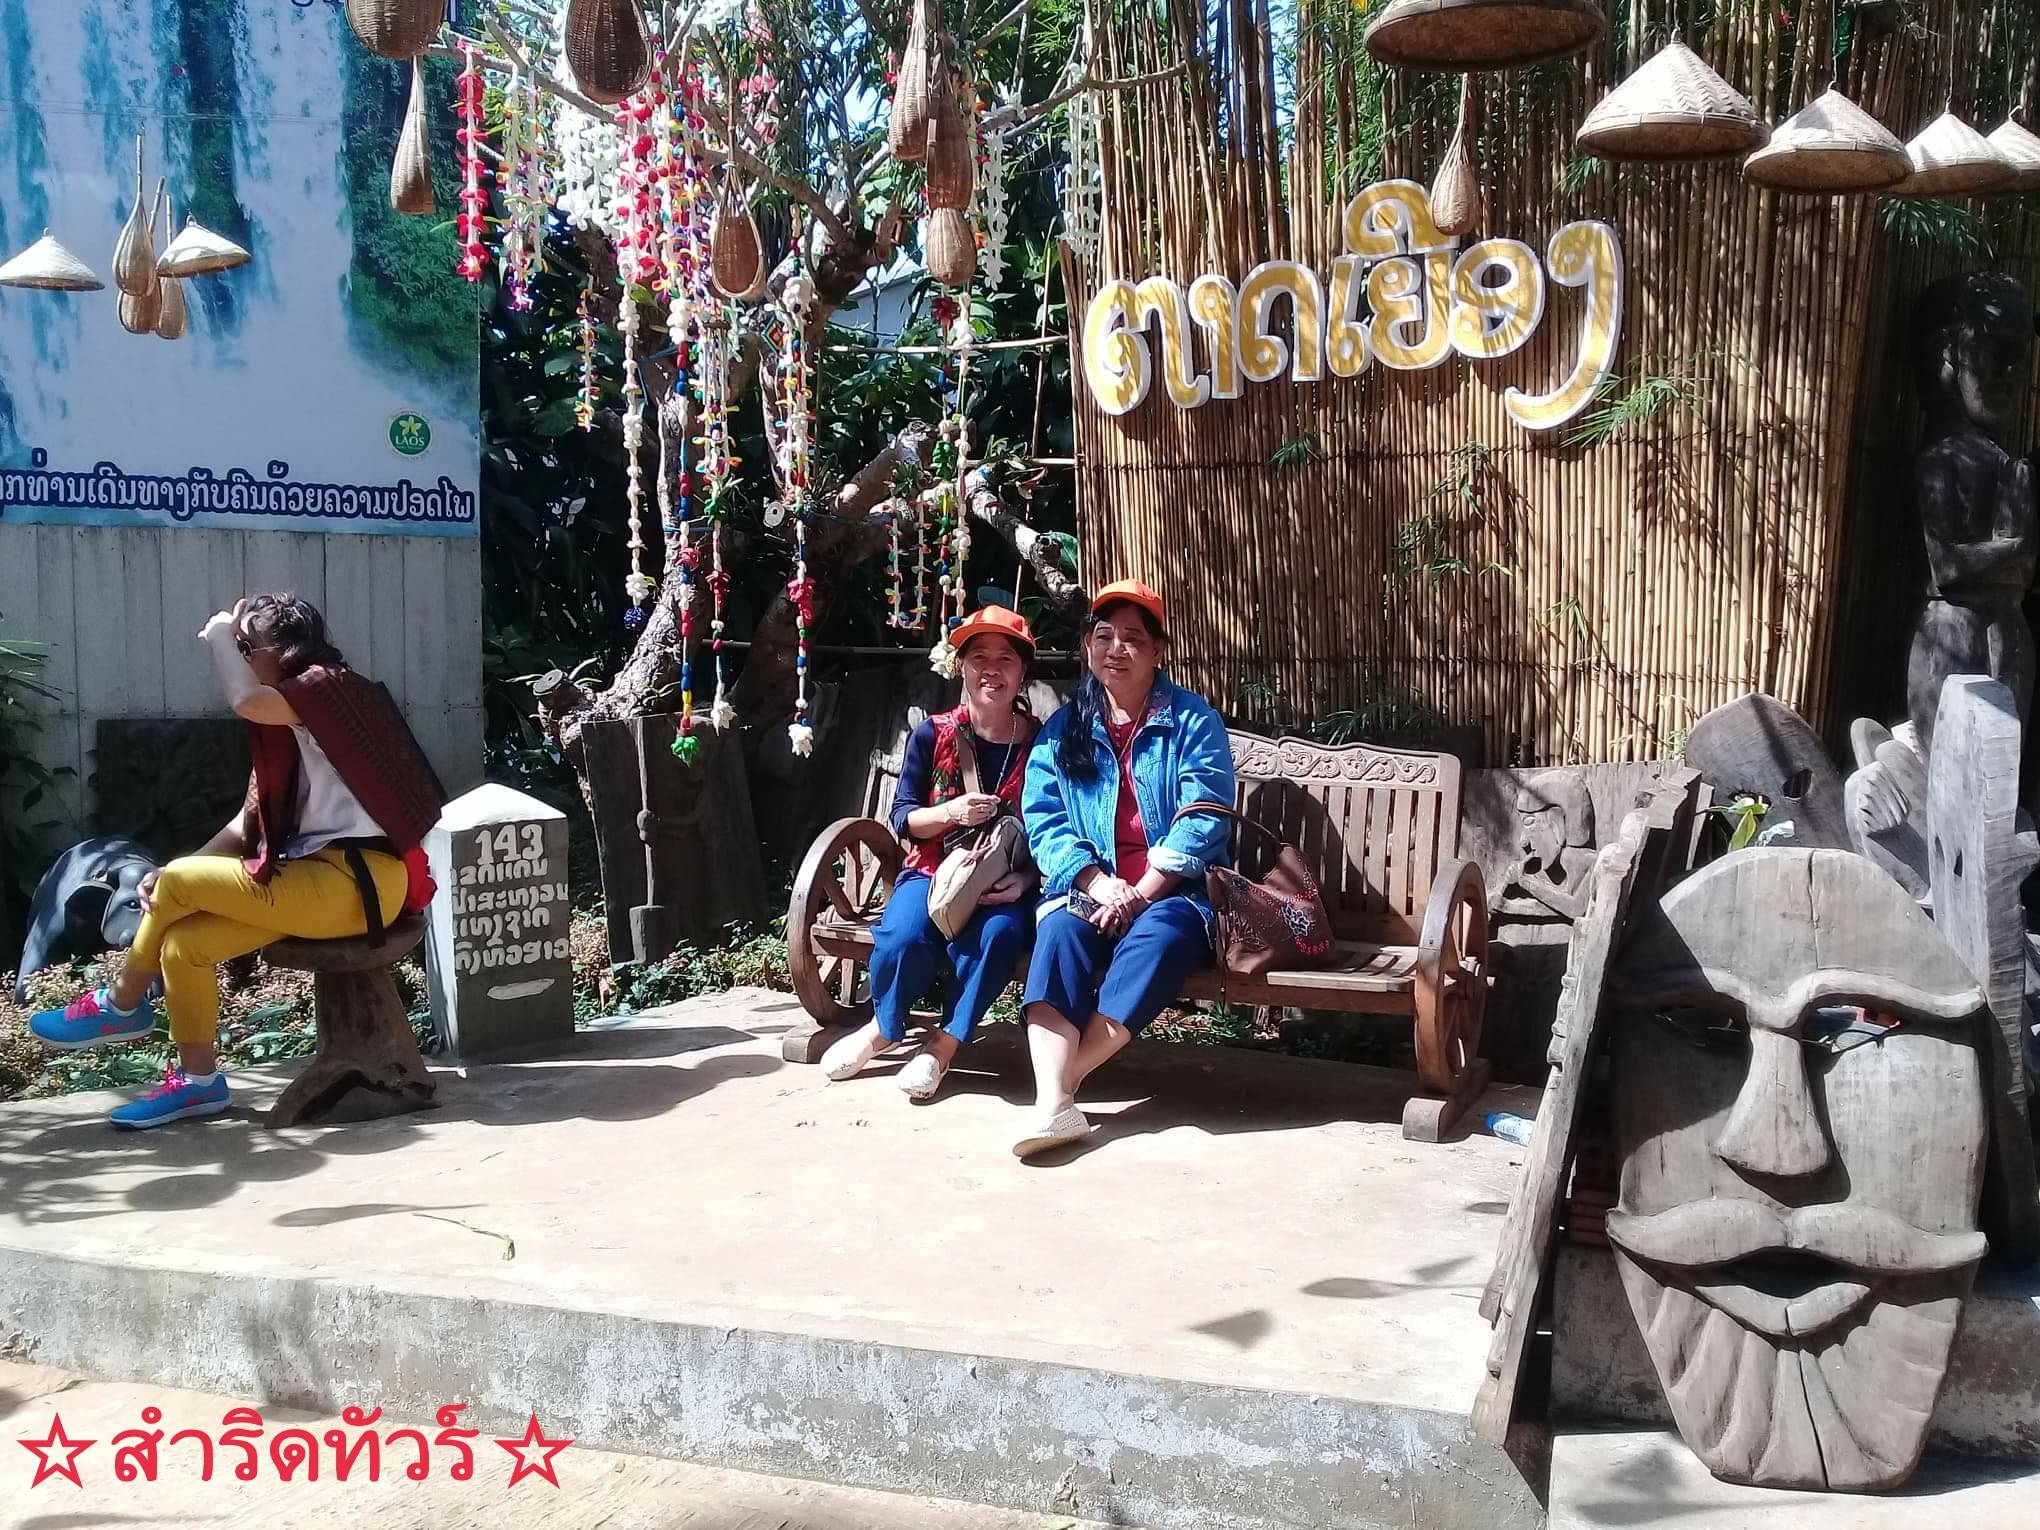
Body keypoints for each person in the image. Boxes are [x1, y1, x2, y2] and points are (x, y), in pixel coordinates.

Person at [29, 594, 445, 1130]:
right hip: (315, 880)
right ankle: (199, 1084)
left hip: (360, 882)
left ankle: (120, 1002)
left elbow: (246, 700)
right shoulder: (291, 726)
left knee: (180, 884)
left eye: (248, 649)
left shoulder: (328, 686)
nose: (240, 660)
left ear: (285, 651)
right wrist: (175, 874)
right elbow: (245, 823)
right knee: (184, 945)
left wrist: (220, 633)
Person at [1013, 580, 1235, 1158]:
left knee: (1160, 936)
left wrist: (1140, 891)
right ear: (1088, 645)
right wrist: (1093, 880)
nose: (1117, 648)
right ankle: (1053, 1105)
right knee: (1059, 932)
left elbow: (1205, 815)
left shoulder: (1193, 721)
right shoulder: (1065, 729)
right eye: (1104, 635)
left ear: (1158, 650)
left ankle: (1062, 1085)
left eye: (1133, 638)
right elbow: (1044, 819)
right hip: (1093, 886)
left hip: (1173, 891)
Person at [821, 606, 1041, 1101]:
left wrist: (1026, 882)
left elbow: (1056, 824)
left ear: (1022, 671)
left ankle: (942, 1047)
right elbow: (903, 818)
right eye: (979, 657)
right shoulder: (934, 733)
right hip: (931, 870)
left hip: (1007, 881)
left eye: (1005, 659)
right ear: (960, 667)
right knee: (902, 936)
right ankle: (883, 1029)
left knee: (998, 936)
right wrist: (951, 813)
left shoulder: (1041, 743)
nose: (991, 670)